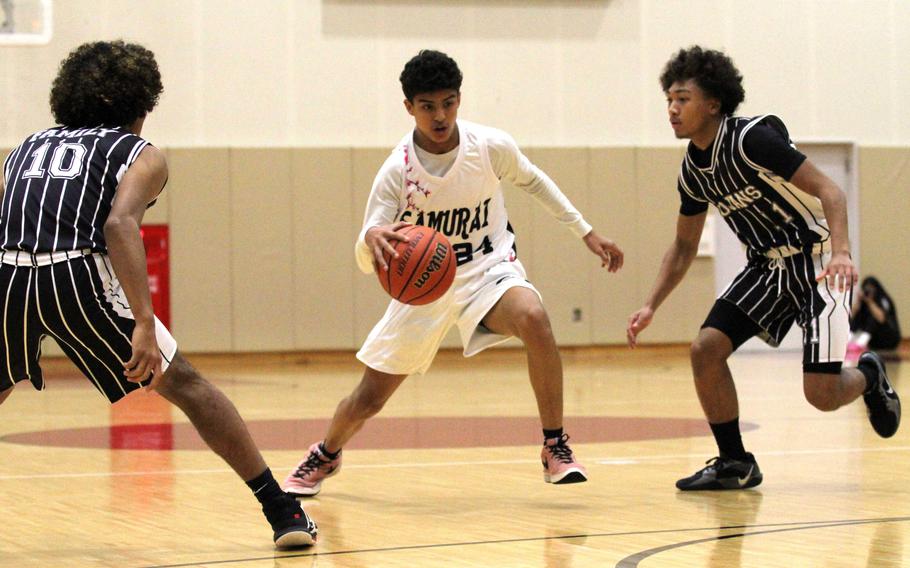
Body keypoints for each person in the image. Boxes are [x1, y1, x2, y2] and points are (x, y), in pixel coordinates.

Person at [0, 41, 316, 547]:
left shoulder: (25, 148)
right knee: (186, 385)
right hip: (75, 278)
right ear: (142, 106)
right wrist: (144, 321)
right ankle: (282, 511)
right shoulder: (138, 153)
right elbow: (119, 224)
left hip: (8, 275)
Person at [285, 49, 624, 496]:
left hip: (489, 272)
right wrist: (370, 242)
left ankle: (554, 445)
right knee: (368, 398)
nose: (440, 115)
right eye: (428, 106)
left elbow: (535, 180)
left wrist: (586, 232)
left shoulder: (489, 146)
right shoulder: (396, 171)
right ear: (409, 107)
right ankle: (326, 453)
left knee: (534, 317)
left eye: (448, 102)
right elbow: (368, 245)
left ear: (460, 99)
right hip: (423, 290)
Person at [626, 46, 900, 491]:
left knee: (821, 395)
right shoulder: (693, 173)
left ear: (713, 104)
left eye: (682, 99)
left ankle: (869, 375)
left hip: (817, 262)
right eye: (668, 101)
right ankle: (735, 462)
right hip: (767, 268)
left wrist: (842, 253)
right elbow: (682, 246)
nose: (672, 110)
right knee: (705, 349)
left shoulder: (752, 140)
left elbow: (830, 190)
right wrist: (650, 303)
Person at [846, 276, 901, 363]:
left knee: (873, 317)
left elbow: (881, 319)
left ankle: (861, 342)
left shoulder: (883, 300)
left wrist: (870, 302)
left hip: (888, 338)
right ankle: (848, 340)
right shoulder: (863, 301)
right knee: (859, 316)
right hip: (873, 342)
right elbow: (851, 317)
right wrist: (858, 302)